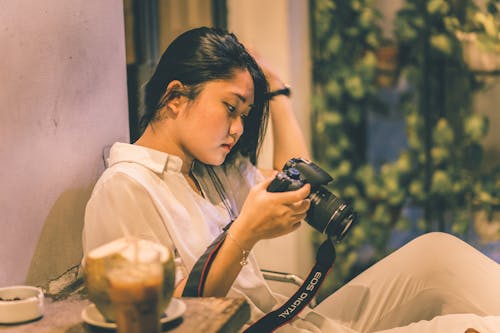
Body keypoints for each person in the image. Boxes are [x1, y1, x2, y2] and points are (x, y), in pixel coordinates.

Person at [82, 27, 500, 333]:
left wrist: (277, 93)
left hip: (294, 319)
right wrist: (244, 235)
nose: (239, 128)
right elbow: (172, 321)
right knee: (470, 326)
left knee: (436, 252)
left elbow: (296, 177)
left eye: (245, 115)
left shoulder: (210, 173)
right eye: (231, 107)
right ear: (175, 97)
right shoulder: (128, 187)